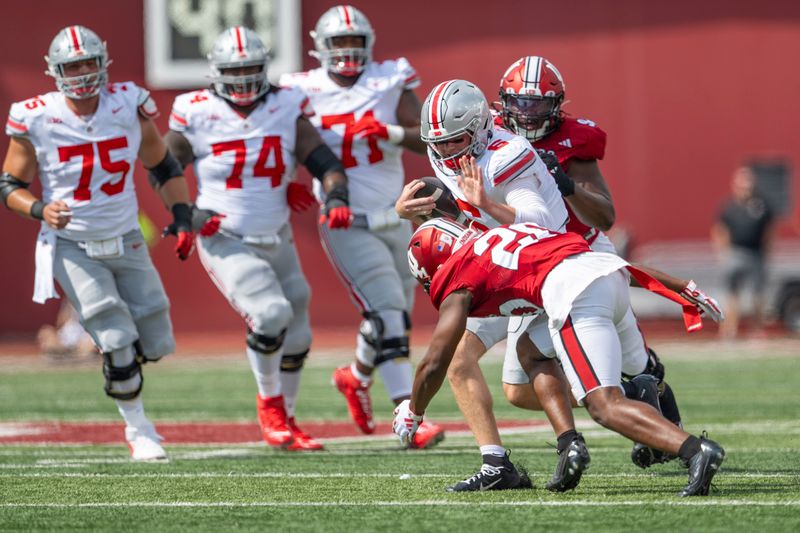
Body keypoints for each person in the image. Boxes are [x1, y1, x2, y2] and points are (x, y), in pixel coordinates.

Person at [1, 25, 215, 460]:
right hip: (72, 242)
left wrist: (180, 213)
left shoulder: (127, 103)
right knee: (114, 334)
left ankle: (121, 370)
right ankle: (139, 429)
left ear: (103, 64)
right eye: (72, 66)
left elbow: (162, 166)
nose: (81, 72)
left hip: (126, 236)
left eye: (87, 63)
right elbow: (9, 185)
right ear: (55, 71)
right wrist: (41, 209)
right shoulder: (37, 115)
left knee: (155, 340)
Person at [394, 218, 726, 497]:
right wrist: (676, 285)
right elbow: (599, 263)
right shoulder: (505, 235)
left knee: (602, 404)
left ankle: (695, 451)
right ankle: (570, 442)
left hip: (576, 296)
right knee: (530, 350)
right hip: (610, 277)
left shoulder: (460, 271)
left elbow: (436, 360)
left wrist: (414, 409)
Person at [165, 26, 353, 451]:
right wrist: (186, 217)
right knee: (270, 315)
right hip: (225, 234)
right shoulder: (194, 109)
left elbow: (322, 158)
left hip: (276, 233)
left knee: (300, 333)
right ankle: (269, 407)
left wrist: (336, 194)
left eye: (252, 67)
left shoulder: (285, 103)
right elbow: (165, 169)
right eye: (236, 69)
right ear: (217, 72)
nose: (246, 77)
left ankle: (286, 419)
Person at [396, 78, 575, 490]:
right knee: (472, 368)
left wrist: (487, 205)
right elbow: (458, 216)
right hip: (497, 266)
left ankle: (618, 391)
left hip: (539, 267)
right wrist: (405, 211)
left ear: (479, 128)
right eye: (436, 143)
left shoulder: (506, 154)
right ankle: (496, 465)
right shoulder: (444, 147)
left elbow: (542, 224)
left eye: (454, 141)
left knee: (506, 379)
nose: (443, 151)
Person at [279, 5, 444, 449]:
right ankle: (408, 414)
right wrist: (284, 187)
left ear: (368, 43)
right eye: (339, 42)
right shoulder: (298, 89)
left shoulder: (389, 78)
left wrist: (387, 132)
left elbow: (426, 133)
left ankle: (354, 376)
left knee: (396, 316)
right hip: (345, 218)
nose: (348, 50)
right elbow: (276, 140)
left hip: (399, 214)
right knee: (388, 309)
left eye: (355, 42)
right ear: (320, 46)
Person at [711, 166, 774, 339]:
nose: (746, 186)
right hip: (735, 253)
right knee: (732, 295)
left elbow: (769, 231)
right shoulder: (729, 207)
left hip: (756, 254)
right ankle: (729, 331)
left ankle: (757, 331)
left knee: (758, 295)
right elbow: (720, 230)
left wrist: (767, 253)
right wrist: (723, 253)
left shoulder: (762, 206)